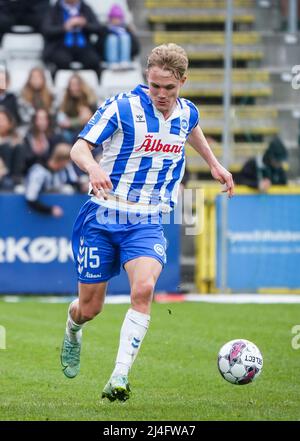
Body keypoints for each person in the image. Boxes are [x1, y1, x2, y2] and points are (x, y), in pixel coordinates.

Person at [60, 43, 234, 401]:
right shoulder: (122, 107)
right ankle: (72, 330)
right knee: (90, 308)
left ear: (183, 82)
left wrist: (215, 165)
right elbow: (79, 147)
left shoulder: (187, 113)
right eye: (155, 86)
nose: (161, 94)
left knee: (143, 291)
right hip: (103, 215)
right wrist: (93, 166)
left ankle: (119, 377)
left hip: (148, 220)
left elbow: (192, 129)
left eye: (169, 88)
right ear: (147, 79)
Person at [42, 0, 104, 79]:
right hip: (60, 46)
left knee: (93, 60)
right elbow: (46, 30)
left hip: (83, 46)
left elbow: (98, 28)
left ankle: (84, 83)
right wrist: (64, 28)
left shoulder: (85, 8)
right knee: (62, 60)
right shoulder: (55, 9)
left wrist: (85, 24)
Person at [25, 142, 79, 216]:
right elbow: (31, 198)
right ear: (62, 160)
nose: (68, 164)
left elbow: (74, 182)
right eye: (68, 161)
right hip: (36, 215)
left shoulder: (64, 170)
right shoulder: (39, 171)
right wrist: (50, 210)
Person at [102, 3, 140, 69]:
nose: (116, 20)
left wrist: (132, 33)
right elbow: (100, 45)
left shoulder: (126, 30)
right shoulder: (105, 29)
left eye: (118, 18)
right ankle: (112, 62)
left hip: (126, 60)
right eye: (114, 18)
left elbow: (136, 48)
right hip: (108, 60)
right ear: (110, 18)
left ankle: (124, 61)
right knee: (112, 38)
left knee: (125, 37)